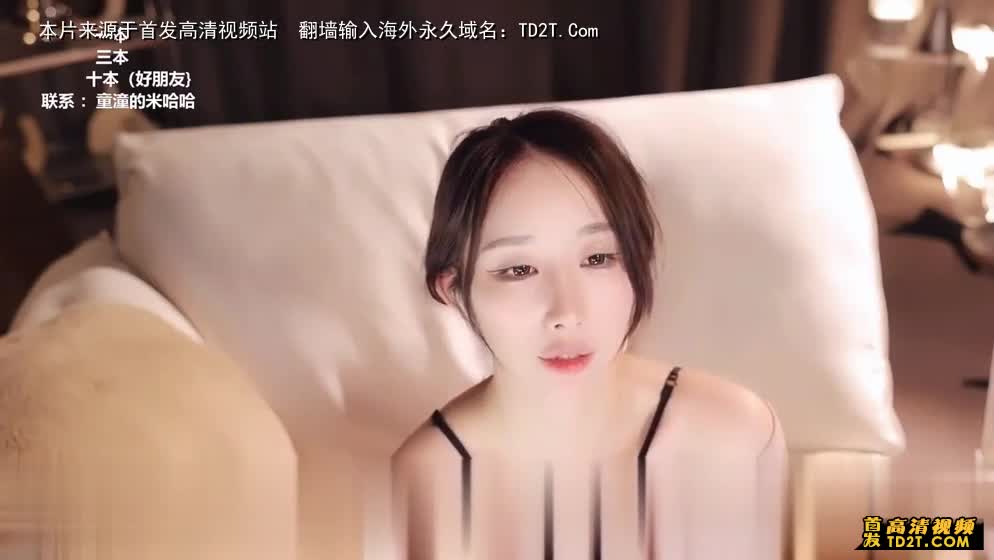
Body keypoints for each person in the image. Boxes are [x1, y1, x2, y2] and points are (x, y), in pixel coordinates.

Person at [391, 109, 787, 560]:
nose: (568, 313)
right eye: (519, 269)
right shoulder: (426, 483)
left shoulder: (737, 433)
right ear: (455, 290)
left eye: (598, 258)